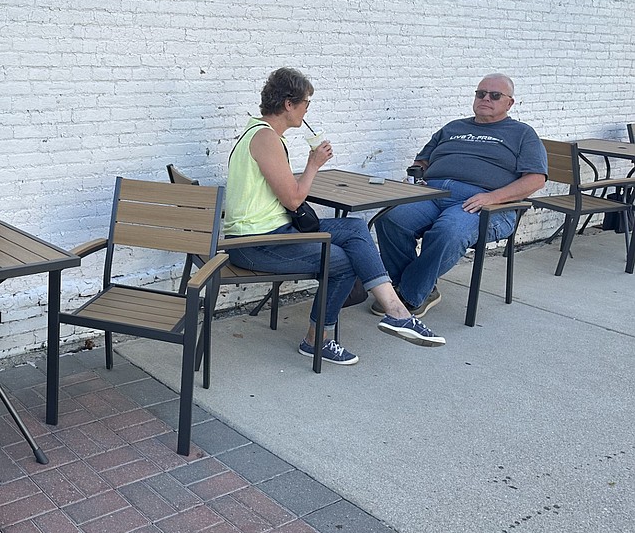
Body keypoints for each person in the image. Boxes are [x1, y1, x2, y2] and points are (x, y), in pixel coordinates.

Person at [223, 67, 444, 366]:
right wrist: (314, 164)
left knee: (354, 229)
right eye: (306, 103)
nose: (307, 109)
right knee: (344, 260)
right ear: (289, 104)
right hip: (255, 244)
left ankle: (396, 312)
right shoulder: (266, 138)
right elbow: (293, 198)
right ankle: (319, 340)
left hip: (270, 233)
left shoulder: (261, 134)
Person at [372, 74, 547, 315]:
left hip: (484, 201)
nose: (486, 98)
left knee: (449, 231)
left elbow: (536, 178)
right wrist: (416, 179)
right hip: (432, 192)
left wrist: (493, 197)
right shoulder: (453, 128)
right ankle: (417, 286)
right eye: (480, 93)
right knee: (391, 219)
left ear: (509, 103)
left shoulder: (522, 134)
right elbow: (422, 160)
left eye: (495, 95)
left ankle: (409, 294)